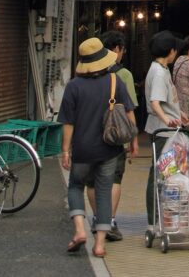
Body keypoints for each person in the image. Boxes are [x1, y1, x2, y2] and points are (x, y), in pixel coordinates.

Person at [58, 37, 138, 259]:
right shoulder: (114, 81)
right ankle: (100, 245)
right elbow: (129, 112)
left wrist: (65, 150)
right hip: (109, 149)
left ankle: (80, 231)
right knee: (104, 192)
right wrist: (132, 140)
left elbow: (68, 122)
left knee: (75, 186)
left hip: (83, 150)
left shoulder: (73, 86)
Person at [86, 30, 138, 242]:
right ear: (116, 49)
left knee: (91, 181)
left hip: (89, 135)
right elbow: (130, 109)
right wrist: (133, 139)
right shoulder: (123, 75)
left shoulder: (85, 76)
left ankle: (98, 218)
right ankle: (111, 221)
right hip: (115, 136)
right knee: (114, 178)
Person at [144, 30, 189, 226]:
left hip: (167, 129)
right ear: (170, 51)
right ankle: (156, 220)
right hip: (163, 132)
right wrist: (168, 119)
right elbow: (155, 102)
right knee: (162, 175)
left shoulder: (161, 69)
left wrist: (179, 114)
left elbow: (165, 101)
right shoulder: (158, 73)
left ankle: (165, 218)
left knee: (167, 175)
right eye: (175, 50)